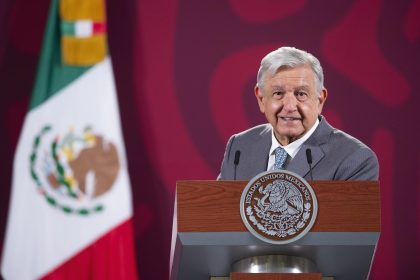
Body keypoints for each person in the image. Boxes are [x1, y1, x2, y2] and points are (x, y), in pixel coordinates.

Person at [218, 46, 379, 181]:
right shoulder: (240, 146)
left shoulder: (355, 159)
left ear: (320, 100)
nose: (289, 106)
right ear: (261, 98)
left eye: (301, 94)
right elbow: (219, 212)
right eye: (278, 93)